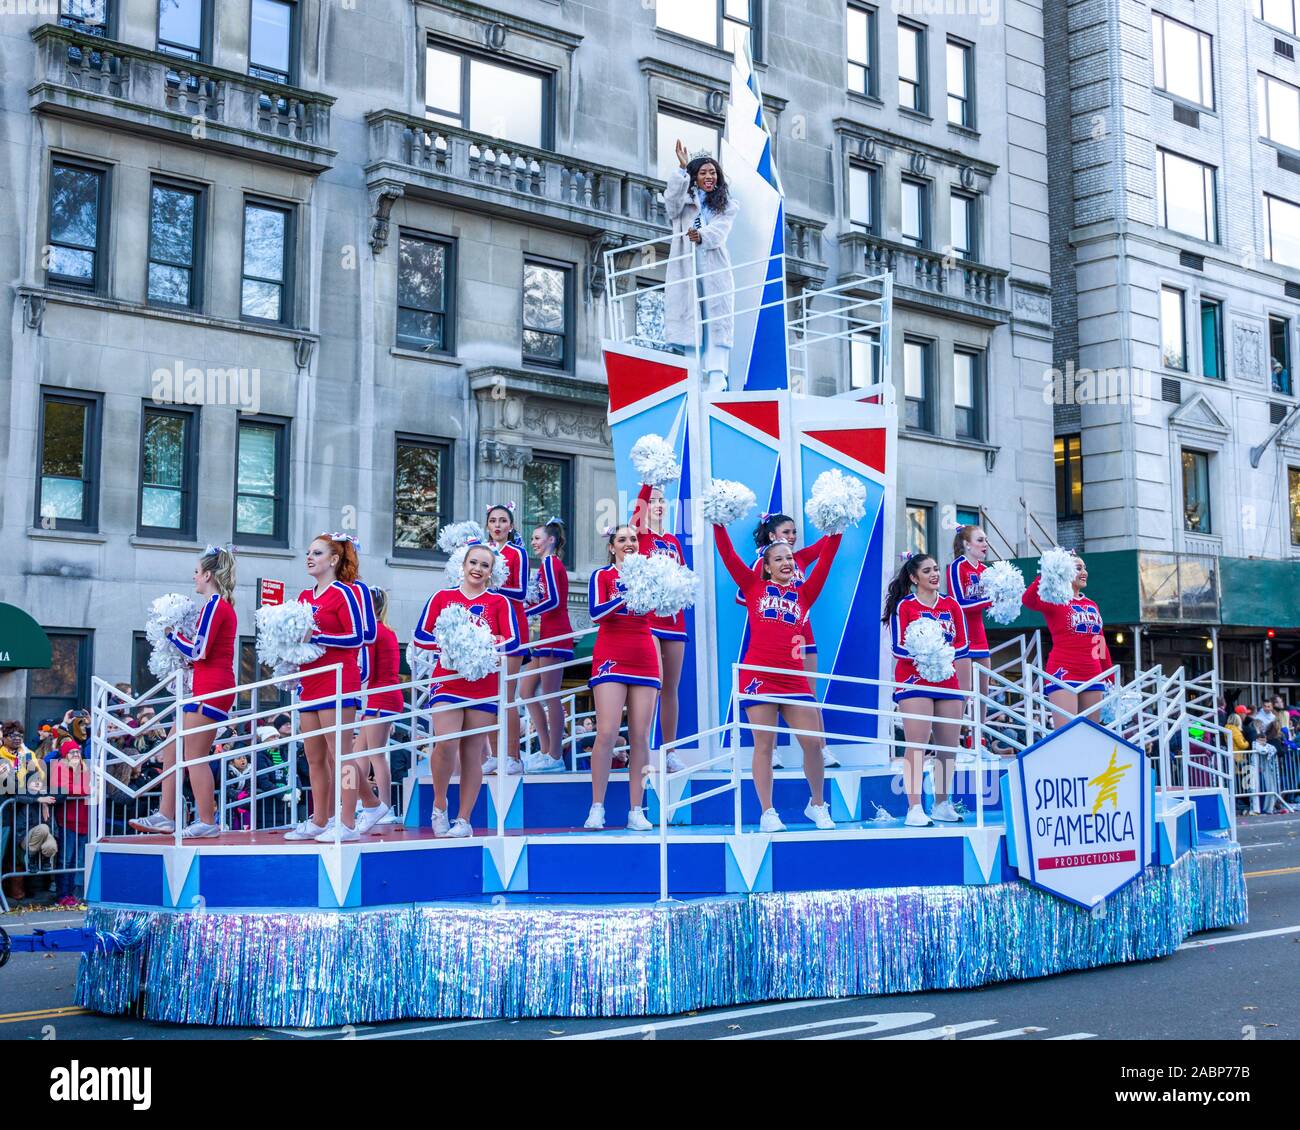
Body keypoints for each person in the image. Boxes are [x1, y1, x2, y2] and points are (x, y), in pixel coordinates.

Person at [713, 516, 843, 833]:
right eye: (779, 559)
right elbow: (728, 556)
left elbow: (825, 561)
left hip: (793, 679)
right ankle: (767, 812)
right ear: (767, 565)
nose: (786, 562)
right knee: (764, 746)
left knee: (812, 743)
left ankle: (817, 805)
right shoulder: (753, 586)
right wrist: (718, 524)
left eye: (789, 557)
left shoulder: (805, 592)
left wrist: (836, 529)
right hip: (759, 676)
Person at [129, 547, 238, 838]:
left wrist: (170, 634)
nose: (194, 576)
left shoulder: (217, 605)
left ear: (208, 575)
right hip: (202, 685)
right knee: (172, 748)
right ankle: (166, 814)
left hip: (212, 687)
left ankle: (207, 820)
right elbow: (199, 654)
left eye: (197, 571)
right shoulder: (212, 606)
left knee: (195, 755)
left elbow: (199, 650)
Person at [413, 541, 519, 838]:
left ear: (491, 572)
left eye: (485, 565)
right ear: (463, 564)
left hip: (482, 683)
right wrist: (451, 645)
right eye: (474, 562)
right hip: (448, 679)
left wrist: (486, 642)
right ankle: (439, 804)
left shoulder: (500, 603)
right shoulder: (443, 597)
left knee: (472, 753)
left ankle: (464, 819)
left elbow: (512, 642)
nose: (478, 569)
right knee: (446, 742)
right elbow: (421, 634)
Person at [283, 535, 366, 842]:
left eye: (316, 553)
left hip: (338, 680)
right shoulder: (305, 595)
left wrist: (316, 637)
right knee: (314, 755)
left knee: (341, 754)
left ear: (333, 559)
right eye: (308, 552)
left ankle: (347, 822)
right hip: (310, 681)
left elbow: (356, 637)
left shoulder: (344, 593)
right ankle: (320, 819)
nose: (309, 557)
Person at [742, 512, 840, 769]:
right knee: (769, 697)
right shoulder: (761, 563)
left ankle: (822, 747)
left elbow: (823, 550)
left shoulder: (799, 559)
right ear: (773, 535)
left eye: (794, 532)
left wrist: (837, 522)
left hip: (804, 633)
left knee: (809, 693)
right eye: (787, 532)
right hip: (777, 637)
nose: (793, 537)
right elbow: (746, 596)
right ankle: (771, 751)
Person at [884, 554, 970, 828]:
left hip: (947, 679)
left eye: (936, 569)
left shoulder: (951, 605)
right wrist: (925, 653)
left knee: (948, 749)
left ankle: (942, 803)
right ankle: (915, 807)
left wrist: (942, 656)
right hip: (914, 680)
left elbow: (963, 643)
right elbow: (897, 647)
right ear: (913, 577)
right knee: (917, 745)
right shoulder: (905, 606)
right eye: (927, 570)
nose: (934, 574)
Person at [585, 525, 661, 831]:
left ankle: (636, 809)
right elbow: (595, 612)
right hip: (610, 655)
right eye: (622, 539)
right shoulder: (602, 576)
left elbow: (661, 611)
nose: (629, 543)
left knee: (641, 736)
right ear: (612, 546)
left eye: (633, 539)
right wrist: (625, 595)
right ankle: (597, 807)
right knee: (607, 732)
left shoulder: (649, 574)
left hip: (643, 654)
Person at [665, 140, 740, 392]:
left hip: (714, 268)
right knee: (689, 318)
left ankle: (718, 376)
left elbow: (720, 232)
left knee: (715, 319)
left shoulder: (726, 205)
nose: (709, 176)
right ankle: (692, 376)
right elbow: (671, 203)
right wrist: (682, 170)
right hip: (687, 268)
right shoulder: (683, 203)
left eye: (713, 172)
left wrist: (702, 236)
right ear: (694, 177)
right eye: (703, 172)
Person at [631, 482, 689, 772]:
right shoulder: (640, 536)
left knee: (671, 688)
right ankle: (644, 749)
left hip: (674, 620)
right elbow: (635, 518)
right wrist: (649, 481)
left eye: (662, 500)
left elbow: (683, 577)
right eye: (652, 500)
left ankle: (670, 750)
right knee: (653, 685)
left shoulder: (674, 541)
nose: (657, 503)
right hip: (649, 620)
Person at [1021, 554, 1113, 728]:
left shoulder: (1092, 604)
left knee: (1091, 734)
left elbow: (1100, 643)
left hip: (1093, 673)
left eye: (1084, 567)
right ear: (1066, 571)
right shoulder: (1055, 600)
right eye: (1078, 568)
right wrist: (1049, 571)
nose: (1084, 572)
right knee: (1066, 733)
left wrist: (1109, 676)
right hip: (1064, 672)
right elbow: (1028, 600)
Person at [520, 519, 573, 773]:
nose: (533, 542)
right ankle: (544, 750)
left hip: (555, 633)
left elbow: (553, 601)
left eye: (538, 538)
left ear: (551, 540)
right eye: (532, 538)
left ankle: (555, 756)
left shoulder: (552, 563)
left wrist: (526, 610)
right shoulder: (543, 566)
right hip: (542, 635)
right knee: (526, 690)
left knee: (551, 694)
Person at [484, 503, 530, 776]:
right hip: (487, 628)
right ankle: (495, 754)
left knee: (507, 695)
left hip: (511, 626)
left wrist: (493, 586)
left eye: (503, 521)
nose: (498, 525)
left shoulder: (517, 553)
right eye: (493, 520)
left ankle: (513, 756)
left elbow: (522, 590)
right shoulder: (481, 552)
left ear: (511, 526)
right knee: (490, 695)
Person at [354, 586, 401, 833]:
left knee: (375, 755)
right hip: (379, 695)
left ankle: (384, 806)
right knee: (357, 753)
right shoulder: (386, 631)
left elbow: (367, 671)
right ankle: (360, 802)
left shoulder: (375, 633)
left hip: (381, 696)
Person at [947, 525, 992, 730]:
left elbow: (988, 604)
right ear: (967, 544)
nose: (985, 544)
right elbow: (958, 603)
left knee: (984, 691)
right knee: (963, 691)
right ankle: (956, 739)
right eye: (980, 540)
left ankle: (979, 738)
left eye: (985, 540)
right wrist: (989, 601)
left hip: (980, 634)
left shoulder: (985, 570)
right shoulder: (957, 566)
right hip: (962, 634)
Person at [44, 740, 89, 905]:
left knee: (78, 860)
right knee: (65, 859)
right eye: (72, 752)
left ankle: (73, 894)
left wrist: (81, 787)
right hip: (68, 821)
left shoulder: (85, 768)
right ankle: (62, 894)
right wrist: (82, 788)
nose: (76, 755)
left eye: (77, 751)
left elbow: (92, 786)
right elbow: (66, 788)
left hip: (84, 820)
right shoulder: (60, 768)